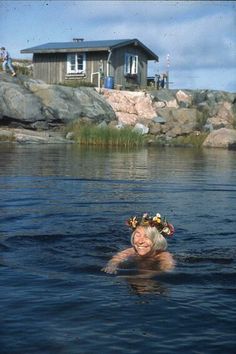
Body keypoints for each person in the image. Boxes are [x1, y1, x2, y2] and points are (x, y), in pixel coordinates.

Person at [102, 212, 175, 275]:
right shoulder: (131, 251)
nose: (140, 241)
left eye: (147, 237)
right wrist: (111, 265)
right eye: (138, 235)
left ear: (156, 240)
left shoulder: (163, 255)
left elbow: (166, 269)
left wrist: (142, 277)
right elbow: (116, 259)